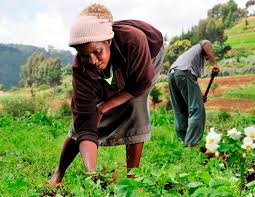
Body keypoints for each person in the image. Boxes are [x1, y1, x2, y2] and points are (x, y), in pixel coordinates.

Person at [48, 3, 165, 185]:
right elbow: (85, 124)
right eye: (85, 55)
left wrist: (104, 107)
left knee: (135, 105)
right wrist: (92, 174)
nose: (92, 60)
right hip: (118, 59)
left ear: (108, 41)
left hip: (148, 57)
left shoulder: (134, 39)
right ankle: (58, 173)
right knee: (82, 119)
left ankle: (132, 180)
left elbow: (138, 85)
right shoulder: (81, 66)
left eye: (97, 52)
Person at [167, 40, 219, 146]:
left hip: (172, 74)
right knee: (197, 110)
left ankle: (182, 140)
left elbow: (190, 86)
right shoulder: (203, 45)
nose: (207, 58)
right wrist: (214, 63)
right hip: (184, 72)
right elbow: (206, 43)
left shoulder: (191, 55)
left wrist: (199, 97)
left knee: (180, 110)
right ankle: (191, 144)